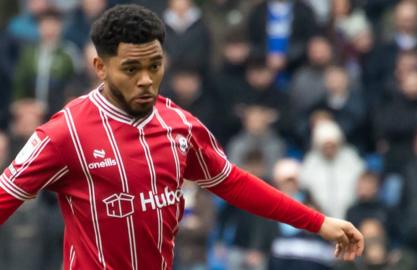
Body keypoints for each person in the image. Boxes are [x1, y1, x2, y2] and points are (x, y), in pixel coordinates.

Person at [0, 5, 363, 270]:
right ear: (100, 67)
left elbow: (234, 183)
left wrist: (318, 222)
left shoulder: (181, 126)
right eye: (131, 68)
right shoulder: (65, 133)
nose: (146, 79)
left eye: (154, 65)